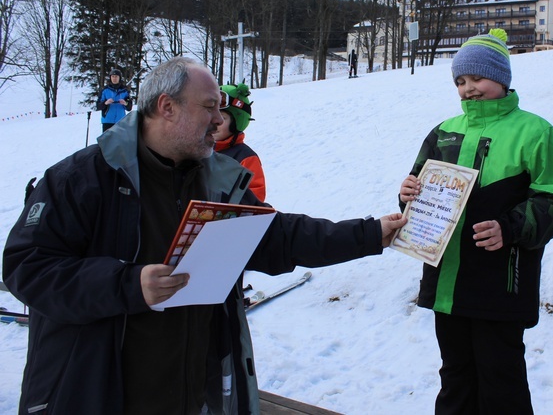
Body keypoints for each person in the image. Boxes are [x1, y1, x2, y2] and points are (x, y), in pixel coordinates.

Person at [3, 56, 406, 415]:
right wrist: (127, 283)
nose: (219, 119)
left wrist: (369, 234)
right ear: (167, 107)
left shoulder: (215, 182)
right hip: (93, 396)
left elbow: (278, 236)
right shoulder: (82, 179)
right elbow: (27, 267)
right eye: (210, 107)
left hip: (189, 398)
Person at [399, 29, 553, 414]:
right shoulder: (443, 131)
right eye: (460, 81)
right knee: (456, 375)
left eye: (477, 78)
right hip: (447, 283)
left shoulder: (535, 131)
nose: (468, 88)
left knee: (501, 380)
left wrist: (509, 228)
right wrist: (409, 193)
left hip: (501, 283)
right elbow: (417, 192)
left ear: (502, 77)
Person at [214, 83, 266, 202]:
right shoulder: (199, 151)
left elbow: (256, 196)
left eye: (222, 118)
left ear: (236, 123)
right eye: (211, 116)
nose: (215, 122)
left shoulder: (245, 157)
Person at [97, 67, 133, 132]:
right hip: (107, 121)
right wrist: (105, 103)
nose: (114, 78)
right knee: (107, 141)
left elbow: (129, 108)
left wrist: (126, 103)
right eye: (113, 76)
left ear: (119, 78)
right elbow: (98, 106)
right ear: (110, 78)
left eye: (116, 76)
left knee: (119, 141)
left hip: (121, 121)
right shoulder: (105, 90)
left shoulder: (125, 91)